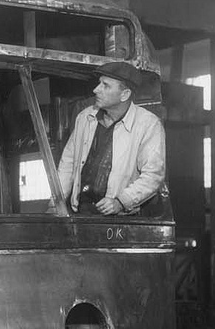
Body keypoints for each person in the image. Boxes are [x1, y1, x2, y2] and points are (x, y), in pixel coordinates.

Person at [57, 61, 166, 216]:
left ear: (125, 94)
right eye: (98, 83)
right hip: (81, 213)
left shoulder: (147, 124)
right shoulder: (85, 117)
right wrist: (55, 203)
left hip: (119, 221)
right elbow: (67, 164)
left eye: (105, 85)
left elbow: (153, 175)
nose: (96, 90)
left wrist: (121, 202)